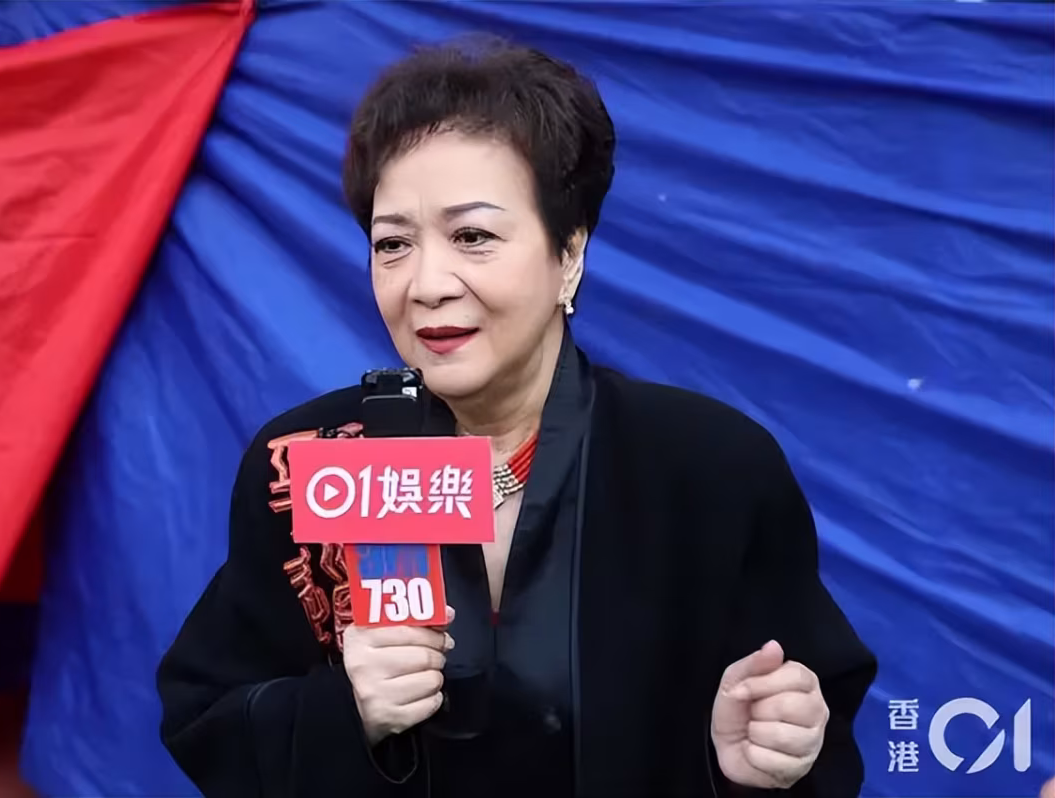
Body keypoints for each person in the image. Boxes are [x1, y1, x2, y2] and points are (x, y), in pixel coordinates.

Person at [156, 36, 877, 798]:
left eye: (473, 237)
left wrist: (760, 763)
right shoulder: (306, 461)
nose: (427, 283)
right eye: (393, 243)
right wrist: (347, 712)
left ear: (569, 253)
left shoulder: (708, 466)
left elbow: (814, 725)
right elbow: (207, 715)